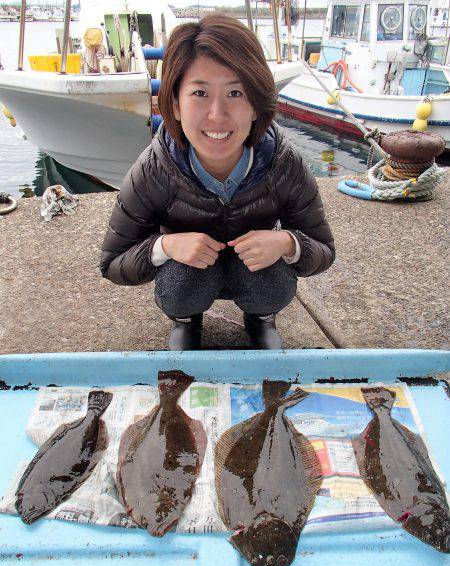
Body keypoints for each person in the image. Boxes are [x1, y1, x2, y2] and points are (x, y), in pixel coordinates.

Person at [100, 15, 335, 350]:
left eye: (236, 92)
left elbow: (324, 250)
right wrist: (165, 246)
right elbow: (112, 262)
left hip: (256, 272)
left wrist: (286, 243)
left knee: (273, 282)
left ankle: (261, 319)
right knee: (179, 283)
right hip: (191, 273)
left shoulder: (284, 163)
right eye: (199, 92)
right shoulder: (153, 169)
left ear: (256, 106)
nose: (217, 114)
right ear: (176, 105)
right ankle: (186, 321)